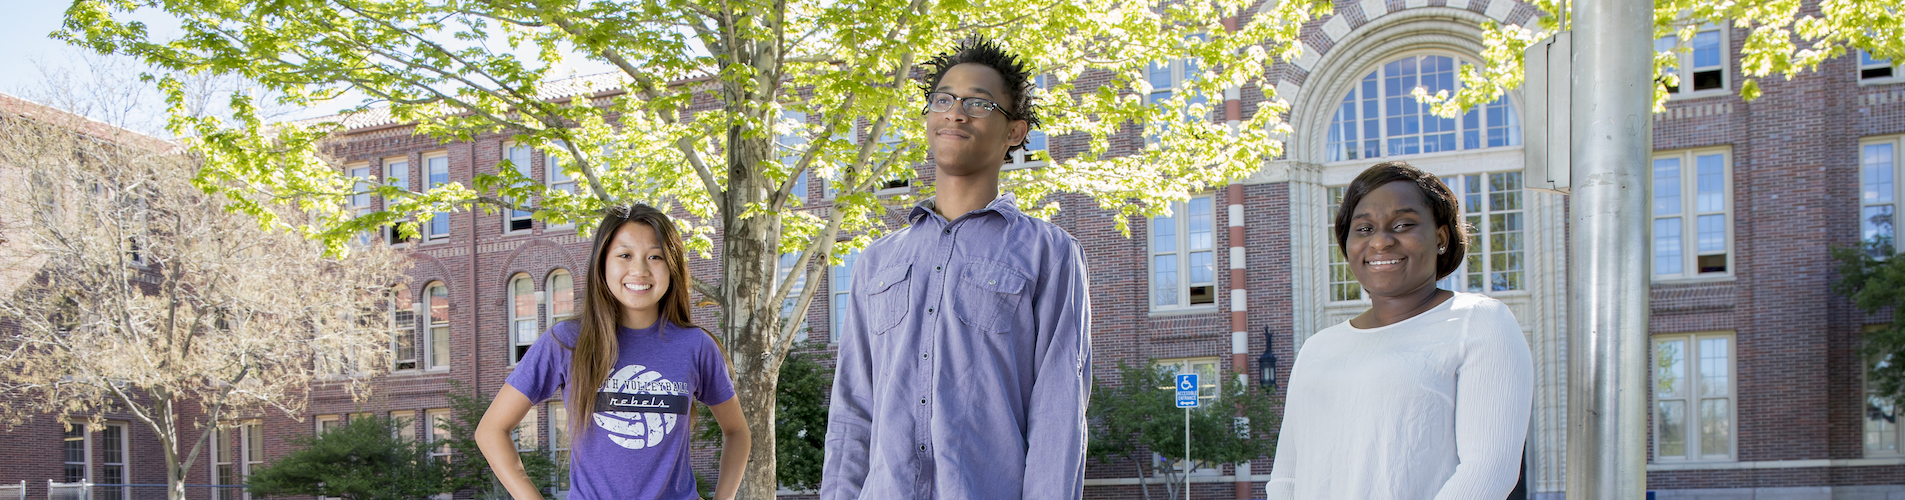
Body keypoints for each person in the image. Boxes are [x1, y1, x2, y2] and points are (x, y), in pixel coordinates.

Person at [819, 37, 1092, 500]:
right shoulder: (877, 261)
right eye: (943, 99)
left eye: (978, 103)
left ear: (1015, 132)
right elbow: (852, 409)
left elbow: (1058, 412)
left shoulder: (1050, 253)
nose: (955, 112)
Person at [1265, 161, 1533, 500]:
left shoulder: (1479, 323)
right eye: (1364, 228)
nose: (1381, 242)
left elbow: (1487, 472)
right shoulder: (1317, 348)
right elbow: (1287, 478)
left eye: (1403, 224)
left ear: (1441, 236)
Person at [476, 204, 749, 500]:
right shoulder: (567, 341)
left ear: (672, 266)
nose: (640, 270)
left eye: (655, 256)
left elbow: (737, 432)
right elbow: (491, 430)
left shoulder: (695, 346)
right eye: (625, 255)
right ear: (603, 263)